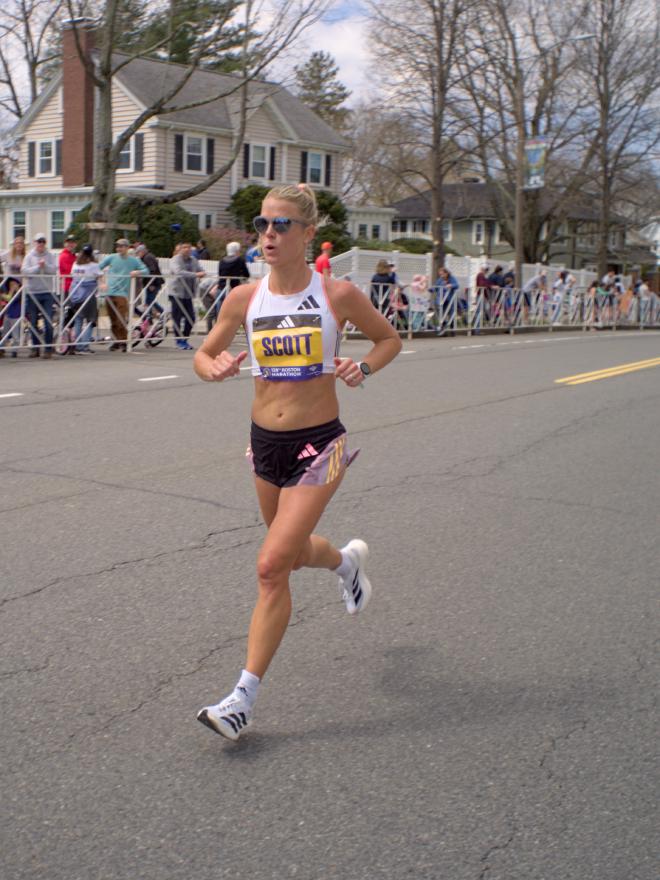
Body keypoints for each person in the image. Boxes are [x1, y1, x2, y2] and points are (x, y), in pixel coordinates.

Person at [193, 183, 401, 741]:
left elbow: (388, 340)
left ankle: (242, 700)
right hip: (265, 445)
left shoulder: (338, 295)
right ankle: (345, 565)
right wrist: (209, 367)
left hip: (320, 445)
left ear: (309, 234)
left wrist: (364, 368)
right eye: (262, 224)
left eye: (281, 225)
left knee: (269, 566)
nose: (268, 235)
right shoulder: (244, 300)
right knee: (288, 553)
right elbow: (204, 352)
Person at [99, 239, 148, 351]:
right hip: (109, 291)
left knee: (121, 319)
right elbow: (98, 268)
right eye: (117, 246)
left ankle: (124, 341)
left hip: (121, 293)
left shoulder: (133, 260)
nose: (119, 249)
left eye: (122, 246)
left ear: (127, 248)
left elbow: (146, 270)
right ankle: (116, 341)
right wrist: (102, 282)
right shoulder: (111, 257)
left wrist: (137, 272)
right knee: (112, 319)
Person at [21, 233, 58, 358]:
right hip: (32, 292)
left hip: (47, 292)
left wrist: (45, 266)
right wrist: (38, 267)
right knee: (33, 321)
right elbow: (24, 271)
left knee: (48, 321)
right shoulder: (29, 256)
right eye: (39, 241)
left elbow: (54, 270)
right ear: (35, 242)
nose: (41, 244)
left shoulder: (51, 256)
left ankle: (48, 348)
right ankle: (35, 348)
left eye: (43, 241)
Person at [170, 241, 204, 350]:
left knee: (191, 318)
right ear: (180, 249)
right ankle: (179, 340)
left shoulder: (194, 260)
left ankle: (184, 339)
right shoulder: (175, 259)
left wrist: (202, 273)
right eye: (184, 247)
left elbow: (201, 270)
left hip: (188, 294)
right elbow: (178, 272)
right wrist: (195, 275)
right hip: (177, 293)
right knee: (177, 318)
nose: (187, 249)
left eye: (189, 247)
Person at [69, 245, 102, 353]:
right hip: (88, 295)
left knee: (78, 320)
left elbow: (72, 275)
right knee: (90, 321)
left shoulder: (75, 264)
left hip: (75, 294)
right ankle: (84, 346)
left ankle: (78, 346)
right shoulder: (93, 265)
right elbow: (100, 275)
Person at [0, 235, 26, 358]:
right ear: (14, 244)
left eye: (21, 243)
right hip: (8, 285)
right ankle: (3, 345)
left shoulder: (25, 257)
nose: (19, 245)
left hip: (19, 288)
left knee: (15, 315)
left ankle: (14, 345)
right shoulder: (8, 255)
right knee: (7, 315)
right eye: (17, 243)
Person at [134, 244, 164, 317]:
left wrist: (151, 284)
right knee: (149, 302)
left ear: (142, 251)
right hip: (153, 282)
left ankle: (163, 313)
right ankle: (149, 319)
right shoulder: (148, 256)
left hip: (153, 283)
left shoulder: (147, 258)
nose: (138, 255)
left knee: (150, 301)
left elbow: (152, 271)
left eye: (138, 253)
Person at [431, 266, 459, 335]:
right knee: (441, 314)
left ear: (446, 273)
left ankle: (453, 330)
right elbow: (436, 287)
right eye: (440, 274)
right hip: (441, 300)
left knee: (451, 314)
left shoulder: (451, 278)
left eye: (442, 274)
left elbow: (457, 285)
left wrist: (451, 285)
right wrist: (430, 289)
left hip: (449, 299)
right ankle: (443, 330)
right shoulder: (440, 279)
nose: (441, 276)